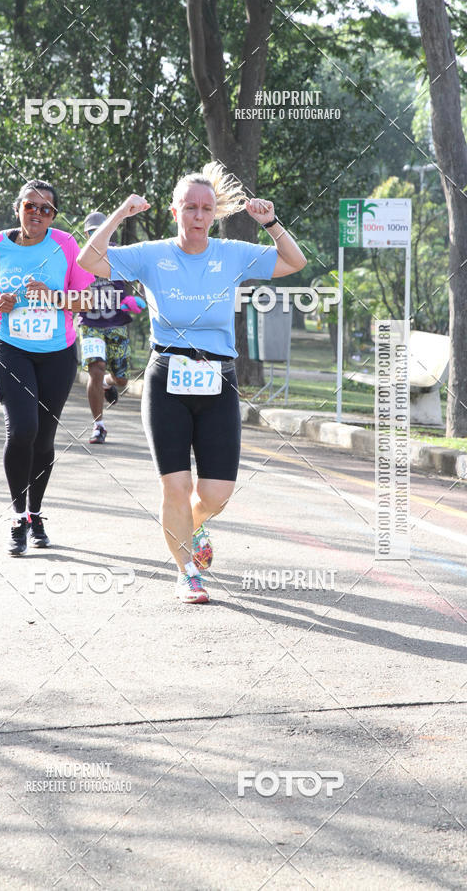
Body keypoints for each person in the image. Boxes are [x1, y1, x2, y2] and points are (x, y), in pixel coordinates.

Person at [78, 162, 307, 604]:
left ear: (214, 213)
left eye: (205, 208)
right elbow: (88, 259)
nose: (198, 216)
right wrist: (120, 215)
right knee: (176, 486)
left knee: (215, 494)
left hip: (218, 378)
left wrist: (272, 223)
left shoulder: (233, 253)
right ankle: (186, 572)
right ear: (175, 211)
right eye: (189, 208)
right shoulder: (151, 254)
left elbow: (294, 261)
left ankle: (193, 523)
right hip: (167, 378)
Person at [0, 179, 94, 556]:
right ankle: (17, 517)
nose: (37, 214)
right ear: (18, 209)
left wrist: (52, 295)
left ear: (53, 215)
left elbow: (85, 299)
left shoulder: (66, 245)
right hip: (11, 349)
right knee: (22, 429)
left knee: (44, 439)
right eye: (30, 207)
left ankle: (35, 513)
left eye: (46, 209)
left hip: (58, 352)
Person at [78, 210, 145, 443]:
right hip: (90, 324)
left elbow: (142, 273)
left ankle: (108, 383)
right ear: (86, 234)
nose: (96, 235)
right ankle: (98, 425)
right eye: (92, 232)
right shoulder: (79, 257)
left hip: (116, 323)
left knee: (122, 379)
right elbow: (67, 285)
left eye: (101, 230)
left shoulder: (120, 254)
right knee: (95, 370)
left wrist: (138, 299)